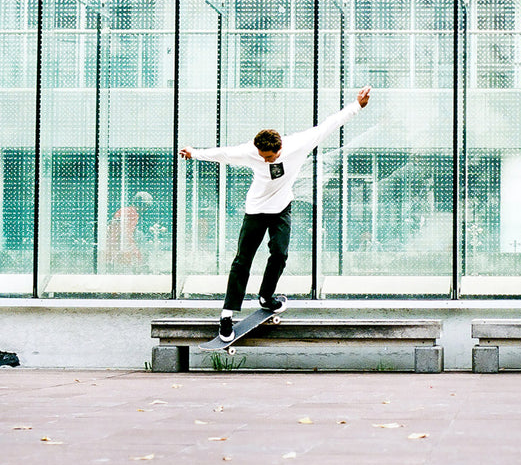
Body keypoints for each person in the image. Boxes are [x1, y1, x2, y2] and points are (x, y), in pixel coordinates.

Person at [180, 86, 371, 341]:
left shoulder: (297, 144)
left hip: (281, 208)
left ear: (279, 148)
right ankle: (226, 314)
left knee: (279, 253)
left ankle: (266, 296)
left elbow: (329, 125)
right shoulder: (250, 151)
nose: (266, 160)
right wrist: (194, 153)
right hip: (256, 210)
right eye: (262, 157)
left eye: (269, 157)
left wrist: (357, 106)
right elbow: (223, 153)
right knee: (242, 260)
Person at [105, 191, 155, 271]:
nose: (145, 210)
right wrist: (135, 251)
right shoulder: (132, 214)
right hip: (118, 249)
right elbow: (126, 235)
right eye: (146, 207)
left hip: (111, 247)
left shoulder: (123, 210)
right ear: (142, 205)